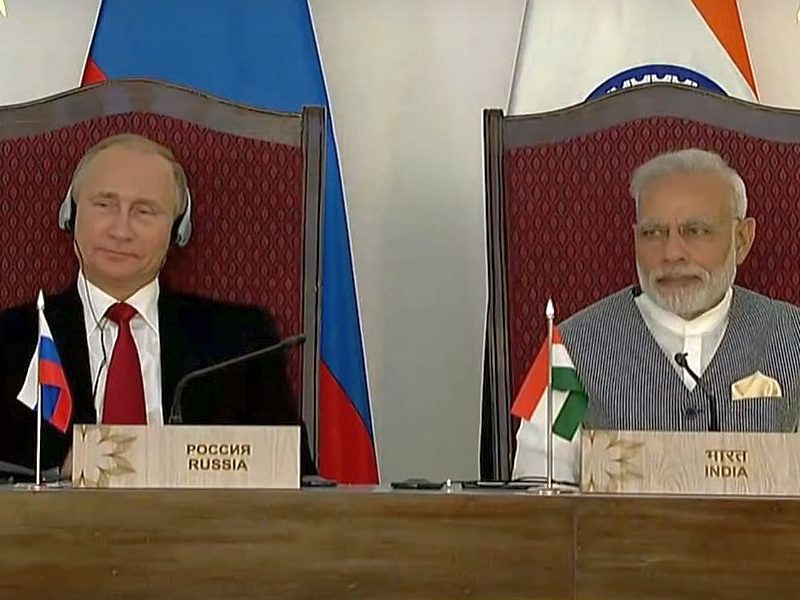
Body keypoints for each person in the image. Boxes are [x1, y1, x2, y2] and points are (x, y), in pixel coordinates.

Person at [0, 133, 316, 476]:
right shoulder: (10, 340)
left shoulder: (241, 343)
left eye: (144, 211)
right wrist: (57, 472)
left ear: (178, 230)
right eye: (104, 205)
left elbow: (294, 476)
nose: (121, 231)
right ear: (70, 215)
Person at [513, 148, 800, 482]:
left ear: (742, 239)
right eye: (653, 233)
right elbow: (538, 490)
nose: (672, 253)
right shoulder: (565, 348)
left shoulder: (793, 337)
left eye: (696, 231)